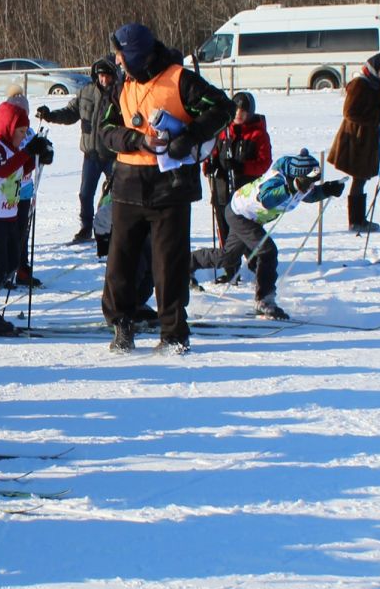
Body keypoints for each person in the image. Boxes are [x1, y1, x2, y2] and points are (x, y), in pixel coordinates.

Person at [95, 22, 236, 355]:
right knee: (120, 264)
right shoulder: (122, 85)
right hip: (128, 185)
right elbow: (105, 130)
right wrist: (135, 140)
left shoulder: (179, 79)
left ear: (136, 55)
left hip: (170, 187)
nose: (116, 60)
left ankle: (173, 334)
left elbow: (223, 108)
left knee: (168, 264)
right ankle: (121, 325)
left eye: (120, 54)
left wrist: (187, 137)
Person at [190, 150, 343, 319]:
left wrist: (328, 190)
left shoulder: (300, 183)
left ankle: (186, 264)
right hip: (240, 214)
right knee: (267, 251)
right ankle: (265, 300)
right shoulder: (277, 180)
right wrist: (290, 188)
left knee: (228, 257)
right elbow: (267, 199)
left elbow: (309, 194)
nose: (313, 185)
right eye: (311, 181)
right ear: (298, 177)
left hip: (248, 216)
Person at [0, 90, 50, 337]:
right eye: (21, 132)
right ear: (9, 128)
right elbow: (1, 170)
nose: (23, 137)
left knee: (12, 262)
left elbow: (23, 168)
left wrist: (39, 155)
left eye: (26, 133)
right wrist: (27, 152)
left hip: (7, 215)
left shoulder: (13, 150)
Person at [38, 58, 115, 243]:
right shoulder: (86, 92)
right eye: (101, 75)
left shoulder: (120, 94)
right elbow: (70, 113)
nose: (104, 79)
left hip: (114, 154)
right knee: (85, 194)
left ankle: (111, 227)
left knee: (117, 193)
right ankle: (86, 227)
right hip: (91, 154)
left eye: (107, 76)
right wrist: (50, 115)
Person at [206, 92, 273, 273]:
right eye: (236, 110)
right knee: (225, 230)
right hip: (221, 189)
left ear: (250, 112)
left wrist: (241, 167)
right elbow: (210, 151)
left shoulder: (258, 134)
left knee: (247, 231)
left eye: (244, 111)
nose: (239, 114)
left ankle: (255, 263)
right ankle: (230, 268)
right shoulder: (222, 130)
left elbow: (264, 163)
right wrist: (210, 165)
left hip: (245, 194)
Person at [329, 53, 380, 232]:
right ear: (375, 68)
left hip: (369, 137)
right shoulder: (360, 83)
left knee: (362, 178)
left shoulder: (378, 84)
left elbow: (374, 105)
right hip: (355, 138)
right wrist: (378, 116)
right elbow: (350, 112)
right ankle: (356, 220)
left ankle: (358, 219)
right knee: (359, 177)